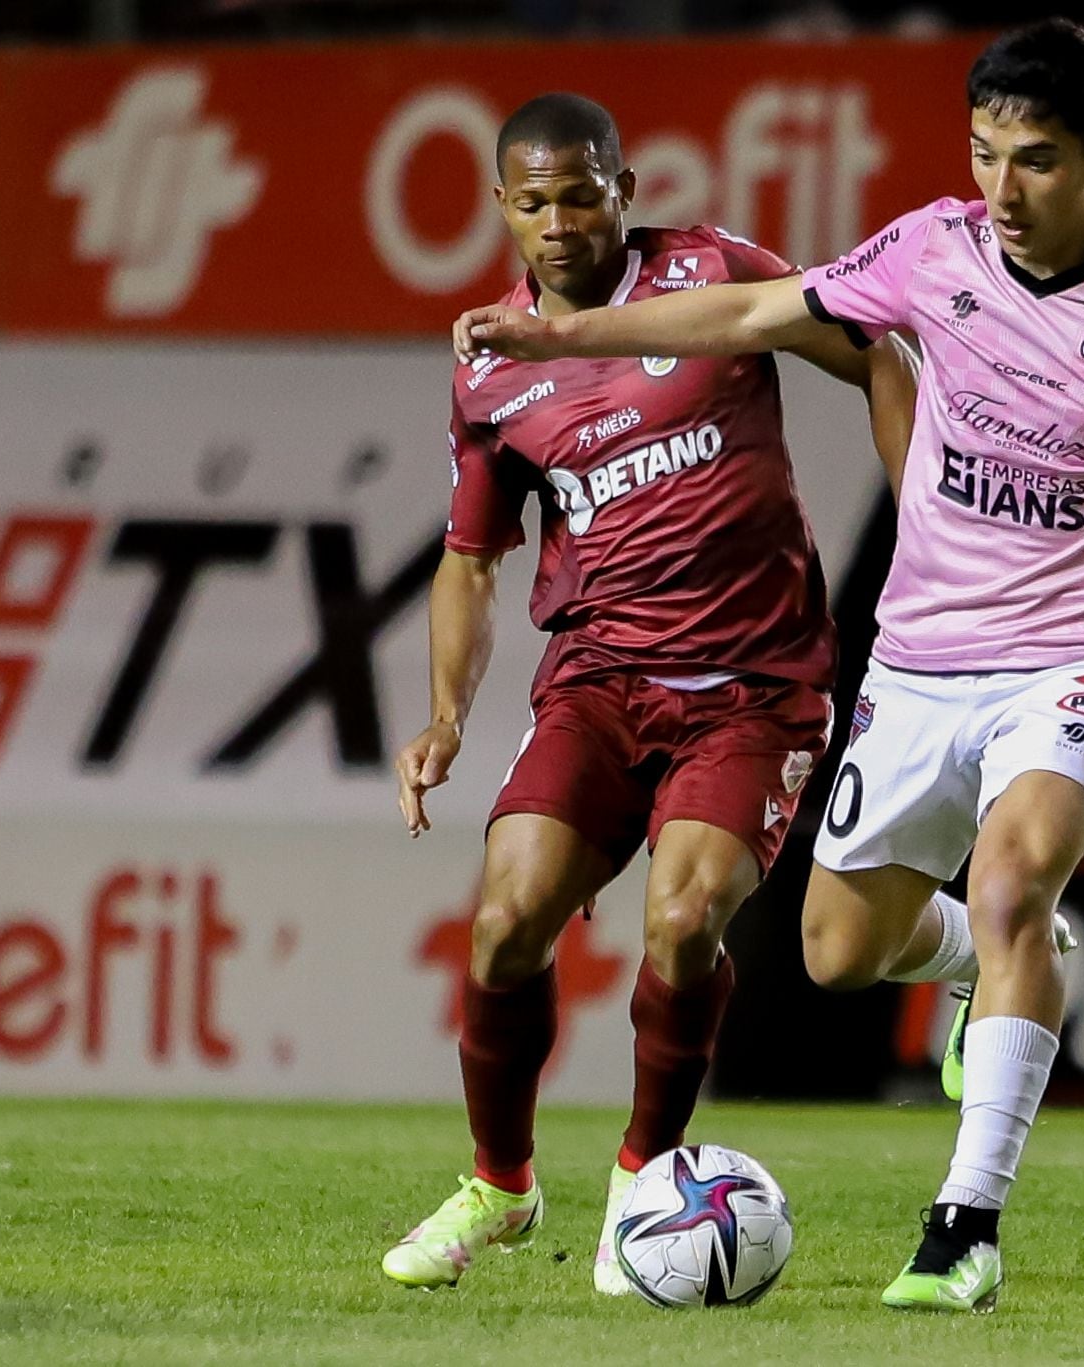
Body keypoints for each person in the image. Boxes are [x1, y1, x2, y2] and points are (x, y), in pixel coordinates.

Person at [451, 20, 1084, 1313]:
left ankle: (963, 1223)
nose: (1001, 187)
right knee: (833, 947)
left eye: (1035, 160)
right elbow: (761, 308)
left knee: (1011, 878)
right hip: (925, 655)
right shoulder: (932, 249)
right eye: (984, 153)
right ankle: (982, 962)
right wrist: (563, 335)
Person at [383, 92, 916, 1296]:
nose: (562, 220)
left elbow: (878, 348)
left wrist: (924, 504)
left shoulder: (714, 272)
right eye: (534, 200)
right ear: (502, 207)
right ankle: (500, 1185)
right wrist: (450, 714)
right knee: (508, 920)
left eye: (583, 192)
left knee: (683, 919)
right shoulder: (491, 369)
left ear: (623, 183)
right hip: (598, 679)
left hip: (756, 684)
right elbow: (472, 557)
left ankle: (643, 1178)